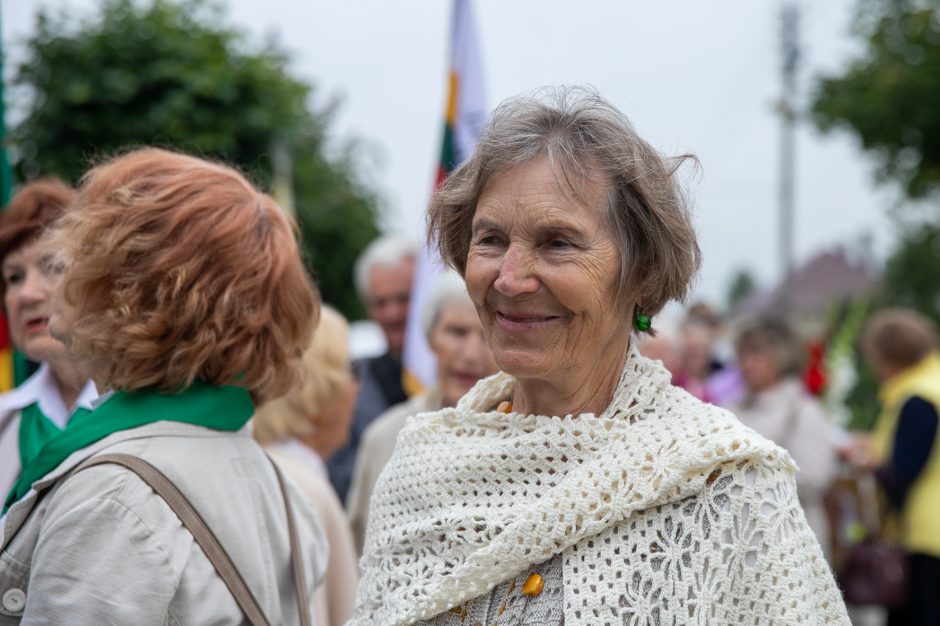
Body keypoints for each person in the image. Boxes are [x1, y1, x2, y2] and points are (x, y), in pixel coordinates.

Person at [352, 87, 849, 625]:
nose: (510, 278)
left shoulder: (725, 487)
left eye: (557, 242)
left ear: (640, 273)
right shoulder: (419, 472)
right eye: (490, 239)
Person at [0, 148, 326, 623]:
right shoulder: (276, 480)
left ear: (135, 288)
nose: (64, 269)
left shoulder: (110, 496)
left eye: (84, 247)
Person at [346, 271, 497, 554]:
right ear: (430, 338)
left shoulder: (524, 433)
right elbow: (358, 548)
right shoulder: (385, 435)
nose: (470, 354)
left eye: (488, 336)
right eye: (457, 332)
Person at [254, 306, 360, 626]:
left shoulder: (263, 470)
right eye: (350, 371)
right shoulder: (301, 488)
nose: (357, 388)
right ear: (319, 389)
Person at [0, 179, 99, 498]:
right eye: (14, 278)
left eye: (53, 266)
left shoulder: (145, 407)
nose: (27, 294)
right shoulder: (5, 421)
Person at [848, 309, 940, 626]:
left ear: (893, 357)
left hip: (925, 533)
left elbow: (904, 469)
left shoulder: (917, 397)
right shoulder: (933, 382)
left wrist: (867, 463)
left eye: (877, 358)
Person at [730, 316, 838, 557]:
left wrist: (743, 476)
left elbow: (815, 477)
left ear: (781, 356)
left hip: (790, 543)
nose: (746, 364)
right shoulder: (730, 407)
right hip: (739, 544)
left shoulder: (803, 410)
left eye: (756, 355)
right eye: (742, 355)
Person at [327, 235, 418, 502]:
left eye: (404, 298)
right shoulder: (351, 384)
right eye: (381, 302)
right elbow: (337, 477)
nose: (393, 313)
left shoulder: (462, 377)